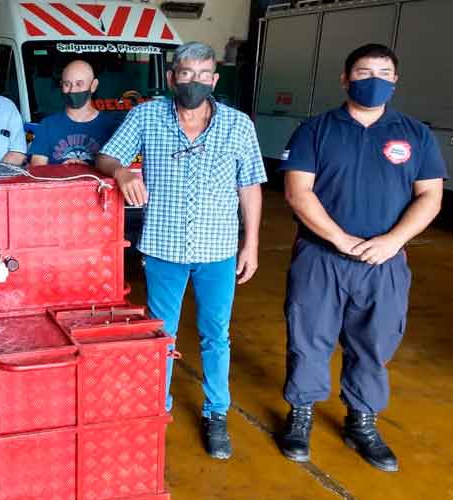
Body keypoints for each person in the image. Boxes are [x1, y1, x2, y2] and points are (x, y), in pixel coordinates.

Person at [278, 43, 446, 472]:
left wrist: (393, 240)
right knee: (308, 339)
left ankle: (362, 420)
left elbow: (430, 195)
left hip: (384, 264)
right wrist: (340, 239)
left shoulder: (415, 134)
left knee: (373, 345)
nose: (374, 79)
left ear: (395, 81)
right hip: (321, 259)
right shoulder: (315, 130)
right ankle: (300, 416)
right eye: (364, 71)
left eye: (384, 72)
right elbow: (299, 192)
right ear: (345, 79)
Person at [95, 41, 266, 460]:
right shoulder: (146, 116)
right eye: (185, 74)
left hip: (218, 250)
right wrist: (120, 172)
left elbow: (250, 186)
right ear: (172, 77)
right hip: (163, 249)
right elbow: (105, 156)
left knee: (215, 335)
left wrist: (253, 244)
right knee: (161, 335)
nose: (194, 82)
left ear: (215, 79)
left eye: (203, 75)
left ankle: (217, 413)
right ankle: (158, 407)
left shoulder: (237, 124)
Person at [28, 60, 118, 166]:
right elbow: (38, 170)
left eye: (79, 84)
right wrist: (64, 171)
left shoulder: (112, 127)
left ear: (93, 85)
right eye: (67, 84)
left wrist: (86, 169)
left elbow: (121, 169)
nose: (72, 90)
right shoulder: (47, 125)